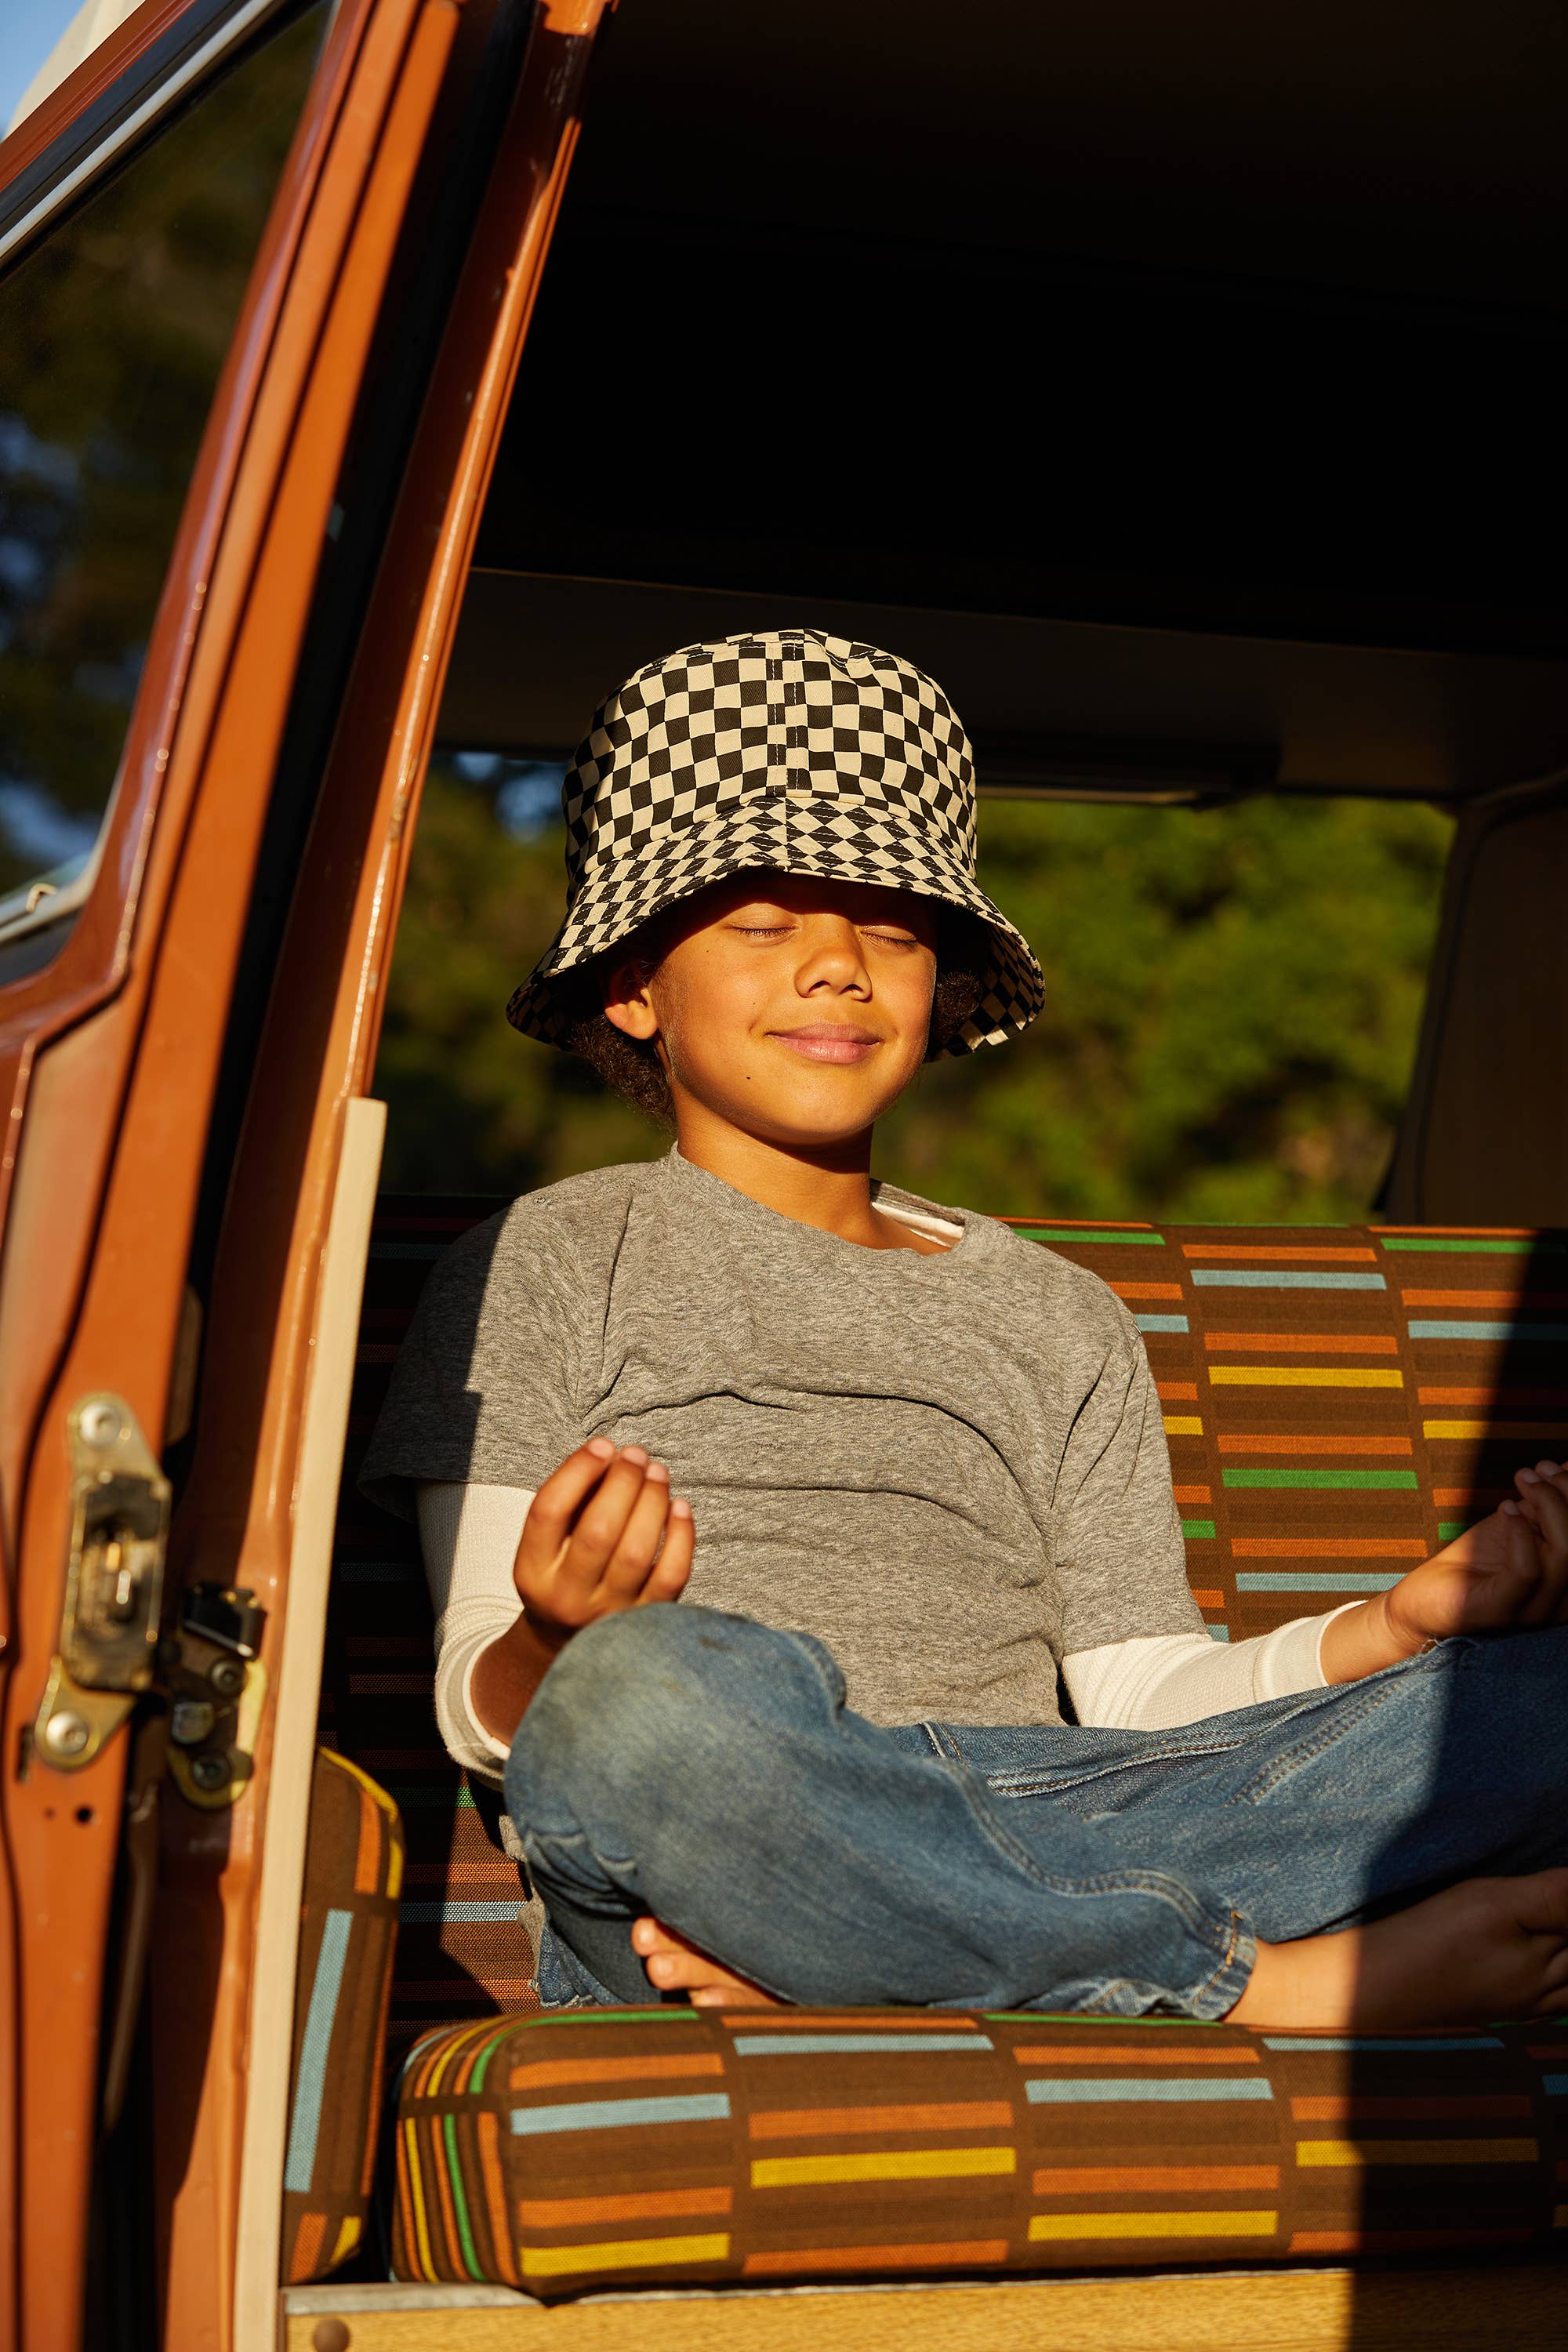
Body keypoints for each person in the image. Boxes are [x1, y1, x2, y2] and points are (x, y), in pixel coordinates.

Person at [362, 628, 1568, 2030]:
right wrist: (560, 1638)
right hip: (733, 1813)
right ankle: (1262, 1988)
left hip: (1074, 1803)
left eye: (890, 924)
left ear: (939, 985)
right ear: (633, 986)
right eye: (762, 922)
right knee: (643, 1703)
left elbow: (1139, 1697)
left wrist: (1395, 1626)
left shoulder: (1054, 1312)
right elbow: (483, 1708)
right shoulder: (545, 1259)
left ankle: (869, 1955)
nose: (837, 967)